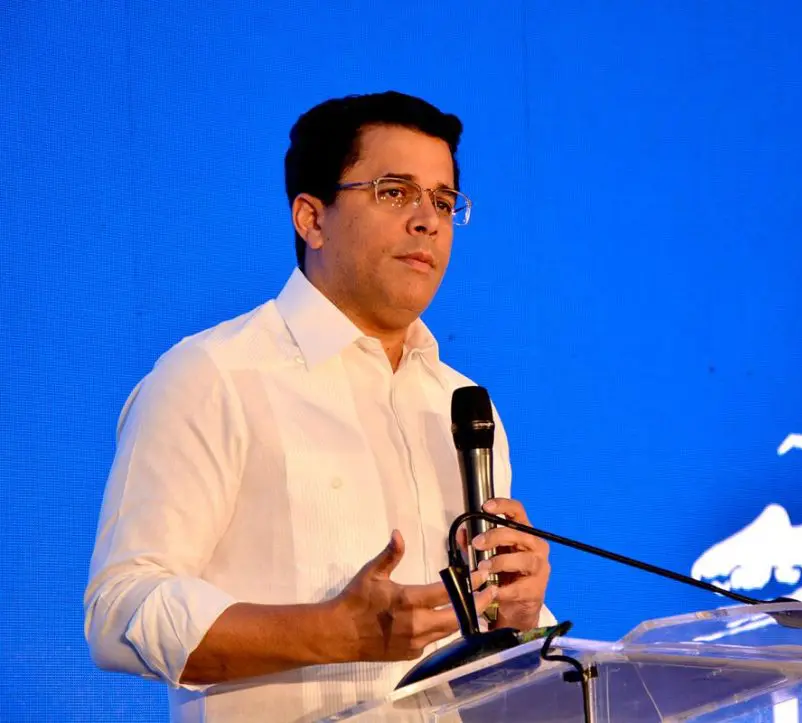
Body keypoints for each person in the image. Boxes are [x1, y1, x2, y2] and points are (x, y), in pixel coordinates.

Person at [84, 91, 554, 722]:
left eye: (444, 201)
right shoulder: (213, 376)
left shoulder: (463, 406)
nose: (428, 220)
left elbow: (475, 657)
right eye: (395, 192)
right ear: (312, 219)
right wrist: (334, 632)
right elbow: (121, 612)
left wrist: (517, 616)